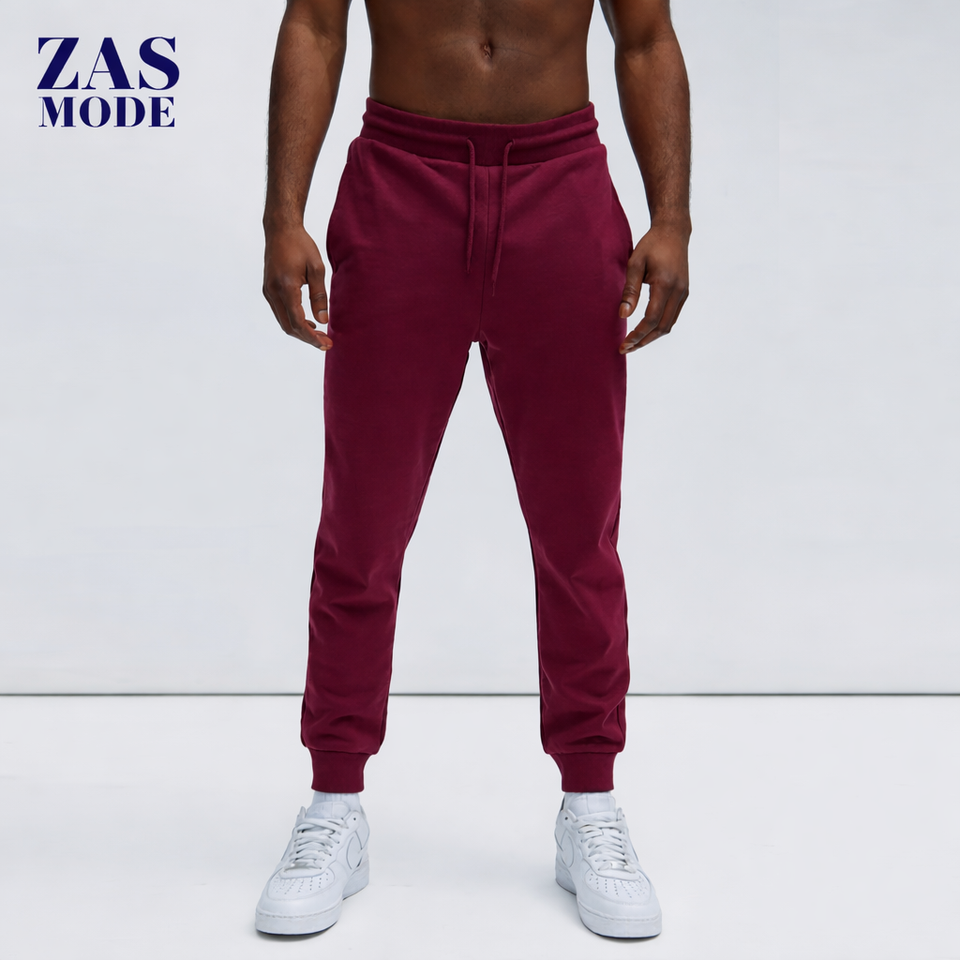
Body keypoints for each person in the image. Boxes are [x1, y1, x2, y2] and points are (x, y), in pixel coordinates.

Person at [255, 0, 690, 941]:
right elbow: (315, 24)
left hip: (560, 185)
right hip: (398, 183)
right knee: (362, 526)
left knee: (578, 533)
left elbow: (647, 37)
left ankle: (590, 801)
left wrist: (673, 218)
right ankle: (334, 802)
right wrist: (281, 216)